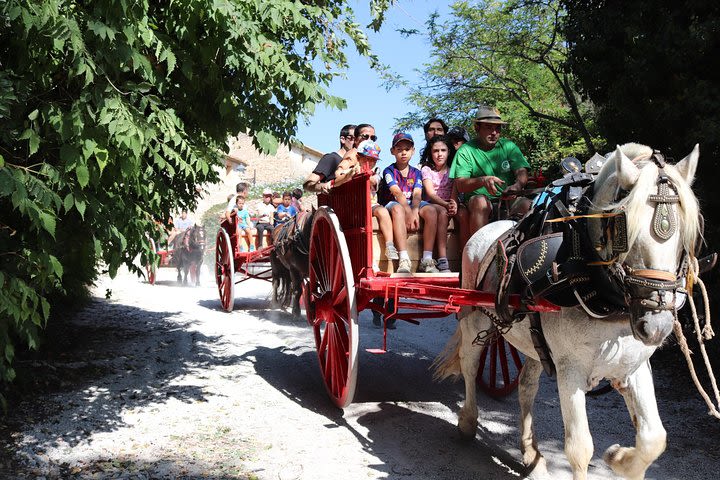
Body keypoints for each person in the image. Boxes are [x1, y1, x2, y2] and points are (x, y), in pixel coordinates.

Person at [449, 106, 530, 235]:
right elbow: (460, 185)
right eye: (488, 127)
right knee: (480, 202)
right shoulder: (465, 150)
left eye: (497, 128)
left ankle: (524, 251)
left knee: (527, 205)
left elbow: (521, 171)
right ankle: (480, 253)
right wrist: (483, 181)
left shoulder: (509, 146)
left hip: (508, 199)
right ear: (477, 128)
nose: (494, 132)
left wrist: (518, 185)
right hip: (477, 202)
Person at [378, 133, 440, 274]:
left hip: (412, 202)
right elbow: (397, 193)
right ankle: (403, 259)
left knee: (431, 211)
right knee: (399, 209)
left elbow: (417, 193)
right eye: (399, 149)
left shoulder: (416, 172)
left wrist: (415, 210)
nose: (403, 152)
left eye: (407, 149)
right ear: (392, 151)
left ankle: (427, 259)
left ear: (413, 150)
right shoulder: (389, 171)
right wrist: (408, 211)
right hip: (393, 203)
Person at [333, 139, 398, 263]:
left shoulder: (376, 174)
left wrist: (367, 176)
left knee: (383, 212)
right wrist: (350, 173)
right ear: (359, 157)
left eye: (373, 160)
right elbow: (339, 175)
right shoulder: (351, 170)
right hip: (354, 206)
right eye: (366, 158)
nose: (370, 162)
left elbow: (374, 180)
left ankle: (389, 245)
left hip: (371, 204)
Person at [420, 135, 469, 272]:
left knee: (464, 213)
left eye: (443, 150)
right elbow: (430, 193)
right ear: (430, 152)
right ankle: (442, 259)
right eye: (436, 151)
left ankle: (465, 255)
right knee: (442, 212)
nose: (439, 154)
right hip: (433, 203)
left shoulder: (453, 170)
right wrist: (446, 205)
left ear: (449, 152)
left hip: (449, 202)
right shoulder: (427, 169)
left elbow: (454, 190)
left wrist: (453, 204)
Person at [303, 124, 356, 194]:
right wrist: (323, 186)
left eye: (357, 139)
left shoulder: (357, 162)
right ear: (343, 139)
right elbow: (307, 185)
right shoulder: (331, 158)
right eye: (352, 138)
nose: (355, 142)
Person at [332, 123, 377, 188]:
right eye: (365, 136)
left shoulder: (369, 155)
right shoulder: (353, 154)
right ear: (355, 140)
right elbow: (338, 174)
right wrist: (350, 173)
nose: (369, 140)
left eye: (373, 138)